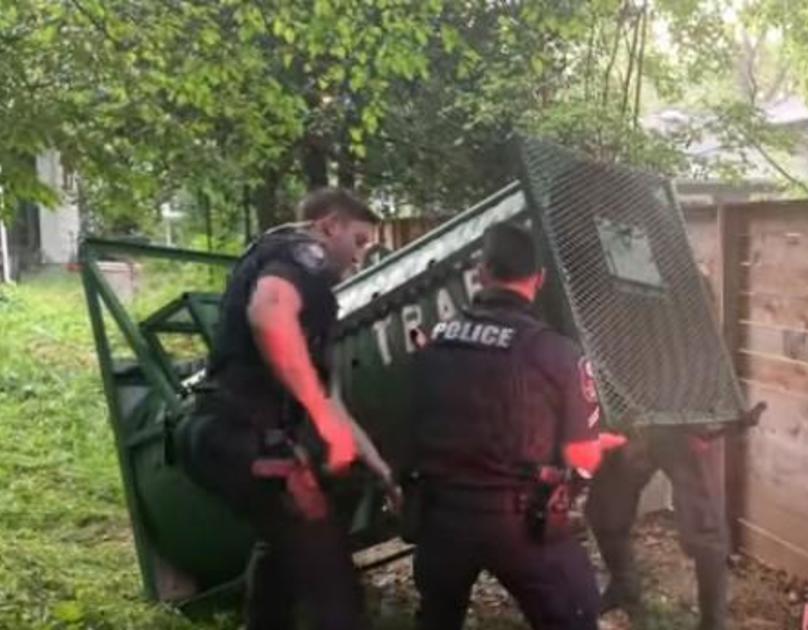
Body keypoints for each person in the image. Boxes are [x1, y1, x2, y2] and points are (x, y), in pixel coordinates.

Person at [403, 222, 627, 630]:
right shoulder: (556, 353)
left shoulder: (433, 341)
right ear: (539, 279)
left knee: (438, 617)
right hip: (521, 523)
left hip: (440, 519)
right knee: (575, 615)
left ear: (481, 272)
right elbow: (581, 455)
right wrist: (599, 444)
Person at [176, 187, 379, 630]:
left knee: (285, 547)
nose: (360, 257)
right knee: (332, 582)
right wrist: (323, 421)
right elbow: (268, 314)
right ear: (329, 227)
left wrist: (382, 470)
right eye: (360, 241)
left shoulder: (310, 292)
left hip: (220, 433)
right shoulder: (302, 254)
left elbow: (330, 401)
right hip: (237, 433)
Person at [585, 268, 734, 630]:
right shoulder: (617, 281)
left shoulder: (691, 279)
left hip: (686, 413)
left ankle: (714, 621)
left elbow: (706, 344)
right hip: (635, 413)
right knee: (604, 508)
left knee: (705, 525)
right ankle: (624, 585)